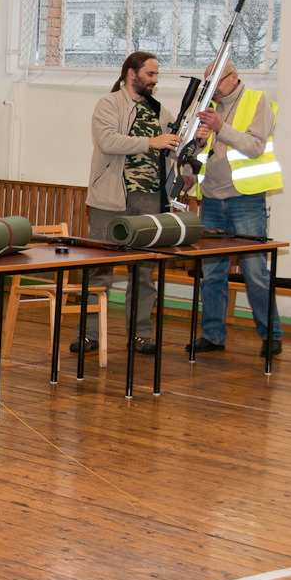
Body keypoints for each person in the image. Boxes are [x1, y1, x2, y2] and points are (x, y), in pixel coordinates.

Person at [76, 51, 182, 355]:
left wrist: (193, 142)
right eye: (150, 74)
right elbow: (107, 140)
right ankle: (88, 334)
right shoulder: (109, 104)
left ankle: (140, 335)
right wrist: (152, 142)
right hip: (110, 200)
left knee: (144, 272)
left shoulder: (159, 110)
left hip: (149, 201)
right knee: (99, 270)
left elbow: (175, 142)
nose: (155, 80)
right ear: (131, 74)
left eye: (156, 74)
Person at [188, 60, 285, 357]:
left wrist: (220, 127)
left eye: (216, 81)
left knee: (255, 271)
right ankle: (213, 334)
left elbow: (255, 146)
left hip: (245, 199)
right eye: (208, 82)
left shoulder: (258, 101)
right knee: (213, 271)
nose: (212, 88)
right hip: (212, 198)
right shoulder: (204, 108)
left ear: (233, 77)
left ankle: (271, 335)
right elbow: (199, 151)